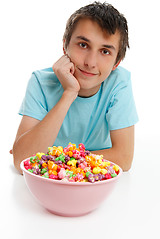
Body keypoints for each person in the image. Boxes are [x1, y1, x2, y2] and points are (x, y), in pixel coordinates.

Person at [12, 1, 138, 173]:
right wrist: (70, 92)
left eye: (105, 51)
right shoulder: (41, 82)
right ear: (65, 46)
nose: (90, 63)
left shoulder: (119, 83)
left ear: (116, 63)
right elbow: (21, 161)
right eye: (83, 45)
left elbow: (123, 158)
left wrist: (51, 157)